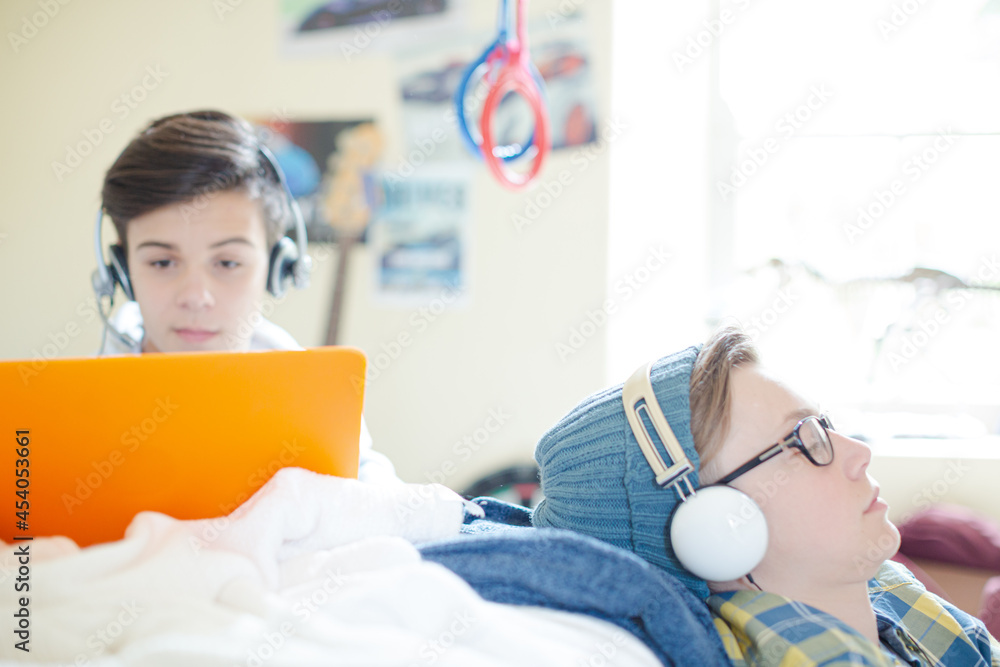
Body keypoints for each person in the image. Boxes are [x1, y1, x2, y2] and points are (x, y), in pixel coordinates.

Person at [533, 325, 1000, 665]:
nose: (859, 453)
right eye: (804, 441)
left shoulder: (892, 594)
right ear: (712, 533)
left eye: (826, 426)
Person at [95, 109, 399, 484]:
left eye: (226, 262)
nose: (195, 297)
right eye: (161, 262)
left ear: (277, 267)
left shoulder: (312, 399)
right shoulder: (76, 414)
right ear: (121, 272)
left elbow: (373, 487)